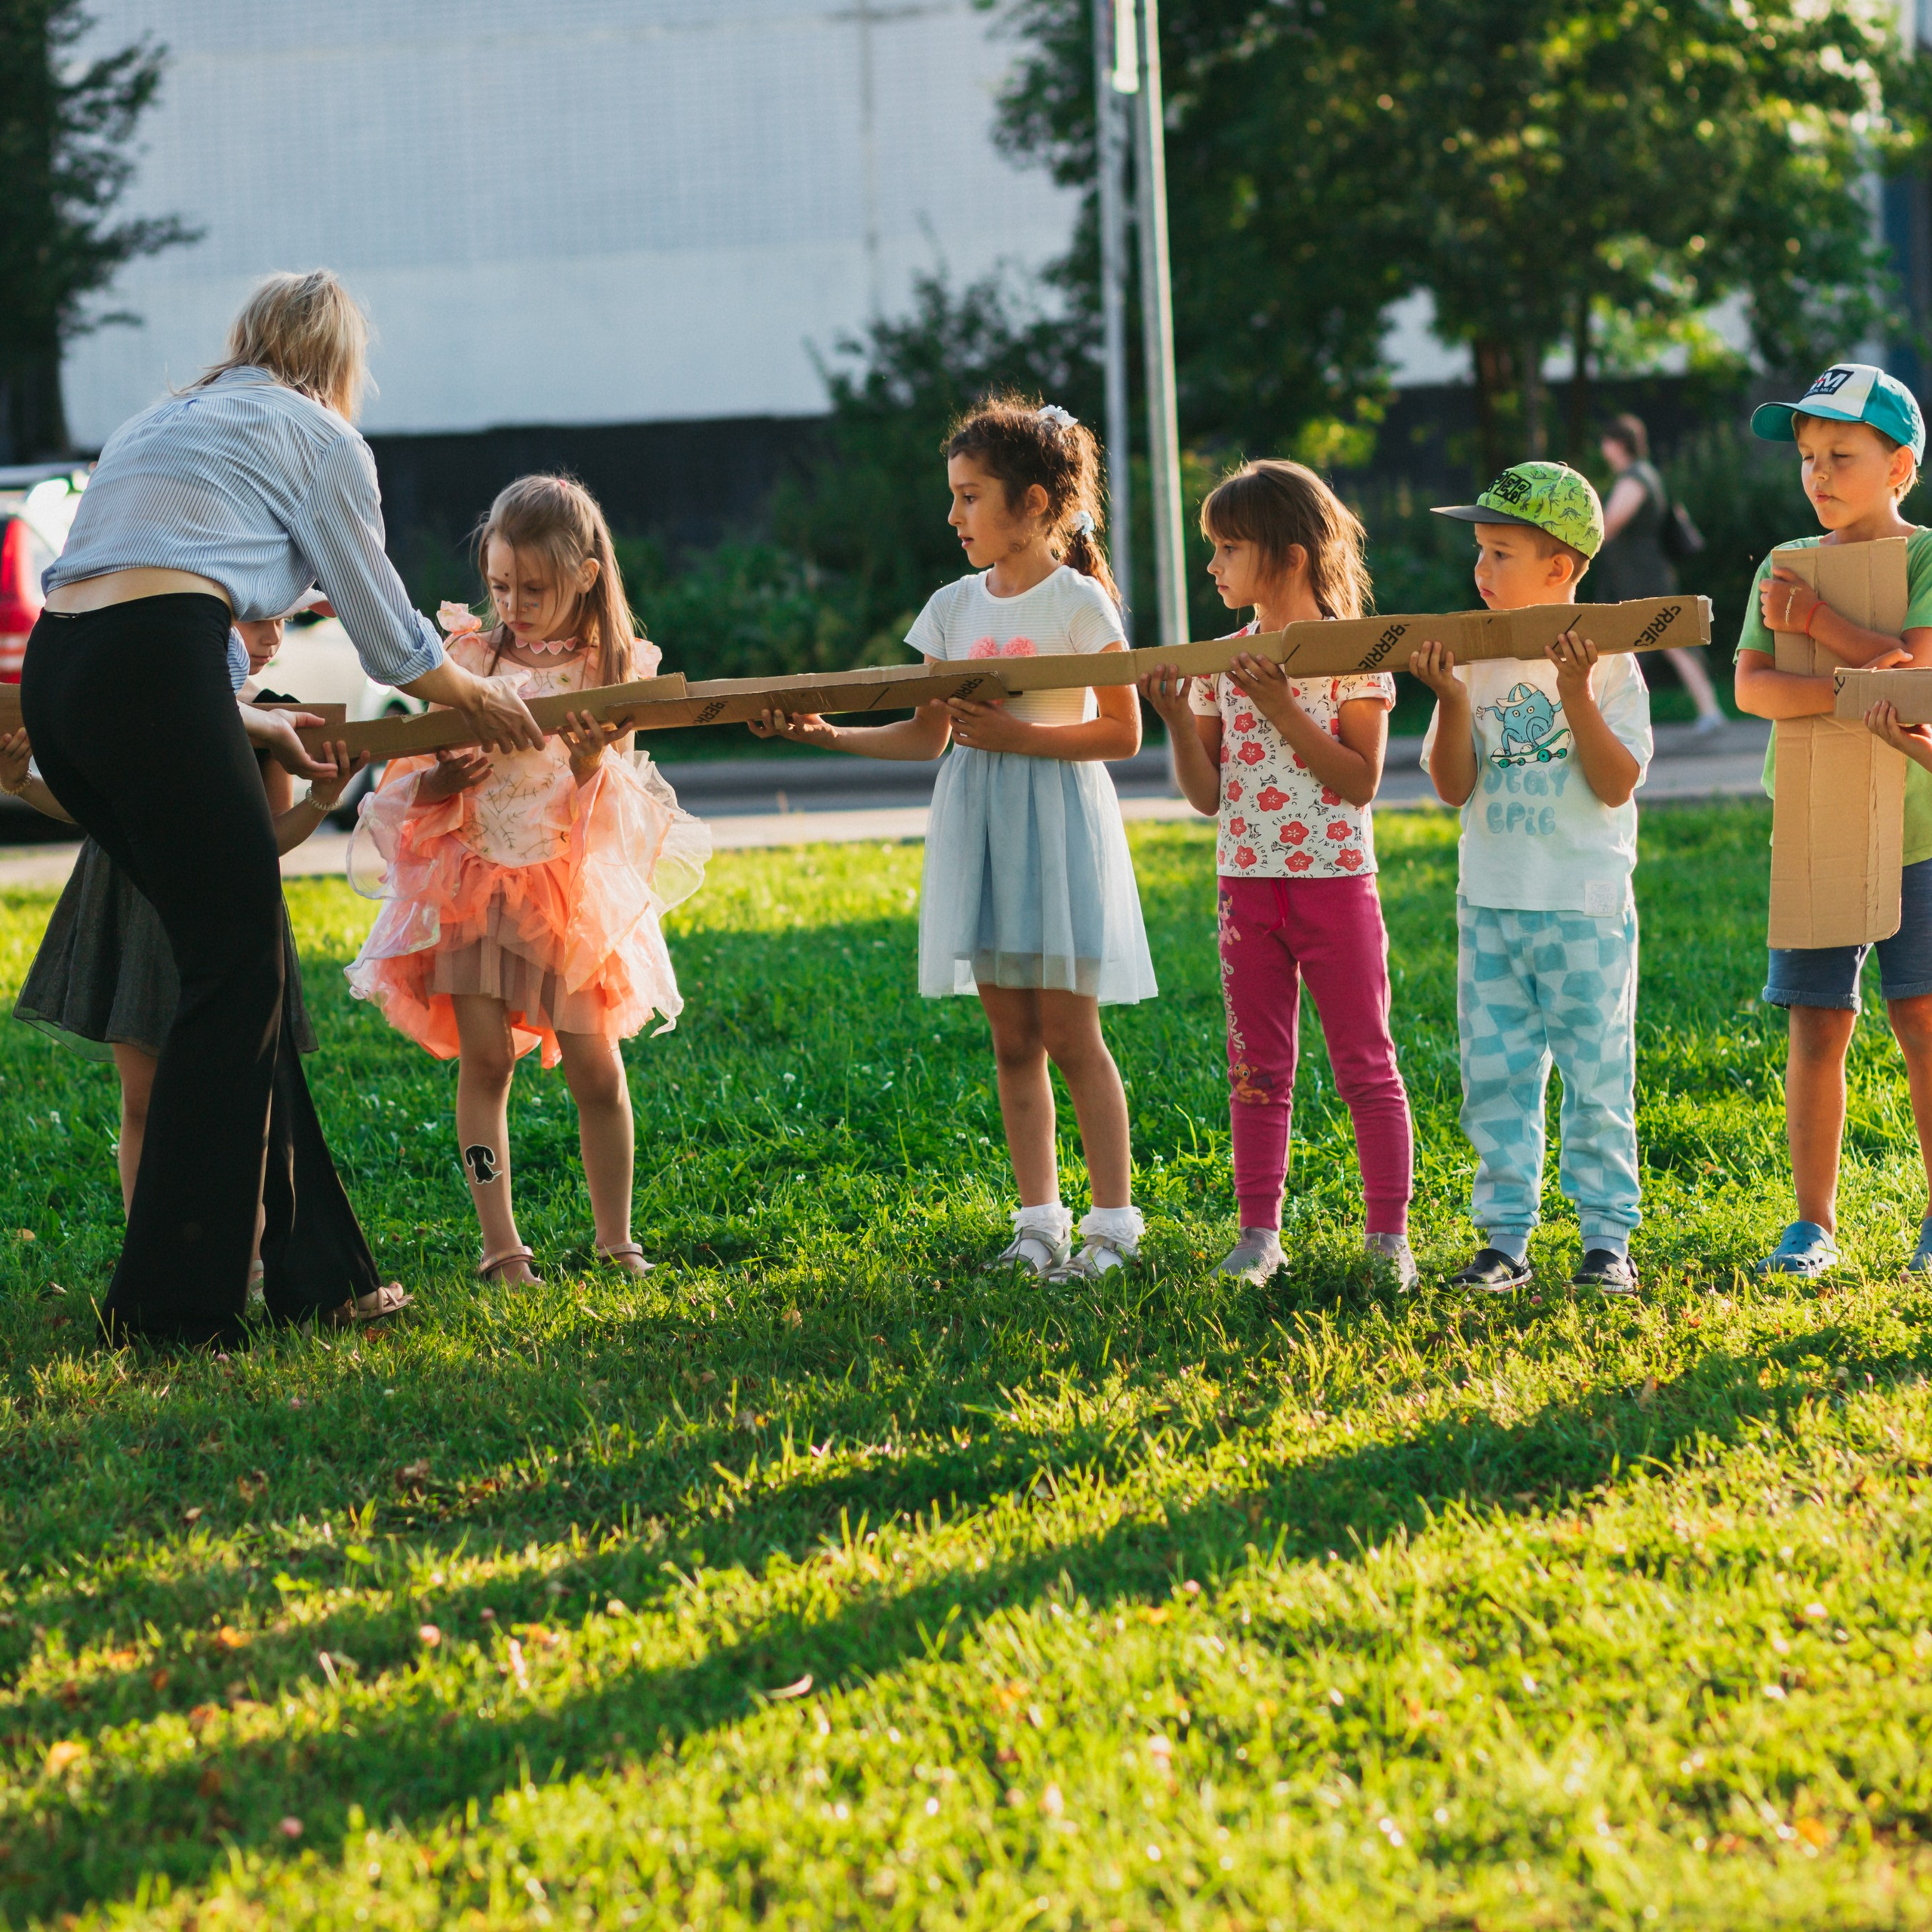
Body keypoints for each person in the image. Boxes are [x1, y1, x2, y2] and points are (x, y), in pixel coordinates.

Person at [24, 269, 543, 1346]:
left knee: (236, 966)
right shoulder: (319, 434)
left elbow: (126, 597)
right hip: (152, 669)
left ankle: (322, 1275)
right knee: (237, 973)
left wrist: (244, 723)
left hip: (60, 676)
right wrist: (472, 694)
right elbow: (384, 628)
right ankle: (170, 1307)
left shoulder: (159, 419)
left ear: (250, 338)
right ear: (337, 360)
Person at [748, 397, 1153, 1281]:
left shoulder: (1078, 602)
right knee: (1012, 1039)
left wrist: (1016, 734)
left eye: (970, 496)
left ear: (1033, 503)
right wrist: (826, 735)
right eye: (954, 496)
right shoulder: (950, 608)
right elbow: (925, 737)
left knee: (1070, 1033)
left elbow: (1124, 733)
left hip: (1058, 826)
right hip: (982, 827)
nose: (953, 515)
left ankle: (1113, 1228)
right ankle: (1038, 1225)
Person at [346, 475, 709, 1285]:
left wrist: (588, 763)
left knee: (596, 1072)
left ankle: (616, 1237)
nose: (512, 604)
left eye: (533, 589)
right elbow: (410, 783)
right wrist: (445, 779)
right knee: (485, 1065)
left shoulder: (611, 670)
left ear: (586, 575)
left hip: (567, 897)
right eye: (501, 585)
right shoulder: (469, 660)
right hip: (474, 892)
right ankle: (501, 1244)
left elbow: (623, 813)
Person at [1136, 460, 1416, 1287]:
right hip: (1245, 890)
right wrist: (1176, 720)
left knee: (1365, 1063)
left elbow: (1359, 780)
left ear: (1290, 557)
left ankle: (1388, 1238)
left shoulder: (1354, 651)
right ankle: (1259, 1234)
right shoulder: (1220, 660)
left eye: (1229, 548)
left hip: (1337, 886)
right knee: (1255, 1069)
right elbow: (1206, 795)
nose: (1212, 565)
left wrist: (1281, 704)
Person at [6, 619, 361, 1241]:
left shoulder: (274, 718)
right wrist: (21, 784)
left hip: (227, 905)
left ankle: (242, 1258)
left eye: (282, 619)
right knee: (143, 1097)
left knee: (232, 1096)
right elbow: (93, 806)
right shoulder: (140, 697)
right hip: (132, 903)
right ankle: (149, 1251)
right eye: (257, 621)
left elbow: (269, 838)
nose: (274, 637)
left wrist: (322, 798)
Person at [1408, 462, 1653, 1296]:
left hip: (1584, 906)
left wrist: (1575, 691)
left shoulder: (1610, 658)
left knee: (1597, 1075)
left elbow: (1616, 782)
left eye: (1500, 552)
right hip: (1491, 903)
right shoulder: (1472, 657)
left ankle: (1606, 1239)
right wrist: (1449, 699)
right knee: (1496, 1081)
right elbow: (1453, 787)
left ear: (1560, 568)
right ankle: (1505, 1238)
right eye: (1479, 550)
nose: (1480, 569)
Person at [1732, 363, 1932, 1277]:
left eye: (1840, 455)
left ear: (1900, 468)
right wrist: (1857, 687)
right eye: (1806, 456)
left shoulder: (1923, 559)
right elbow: (1752, 688)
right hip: (1815, 828)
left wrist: (1813, 622)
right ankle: (1811, 1224)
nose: (1816, 473)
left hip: (1919, 832)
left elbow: (1915, 676)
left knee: (1920, 1019)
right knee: (1815, 1024)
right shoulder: (1782, 562)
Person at [1595, 413, 1724, 732]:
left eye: (1606, 441)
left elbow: (1609, 525)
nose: (1603, 448)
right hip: (1642, 574)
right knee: (1662, 644)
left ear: (1618, 444)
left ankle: (1708, 710)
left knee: (1667, 642)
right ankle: (1707, 709)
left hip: (1642, 577)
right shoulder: (1645, 474)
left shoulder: (1635, 478)